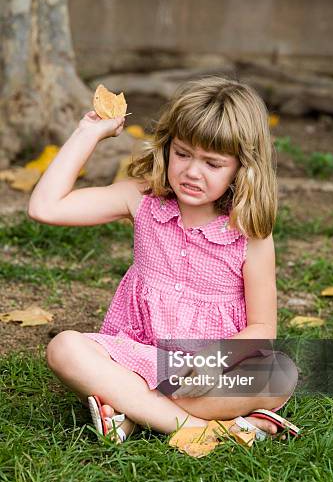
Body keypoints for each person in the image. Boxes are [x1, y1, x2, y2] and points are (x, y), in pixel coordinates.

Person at [28, 75, 298, 444]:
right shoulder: (141, 199)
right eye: (183, 153)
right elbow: (46, 207)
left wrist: (204, 368)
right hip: (137, 358)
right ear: (167, 147)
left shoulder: (249, 235)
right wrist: (88, 132)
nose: (191, 171)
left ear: (241, 168)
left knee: (279, 373)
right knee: (64, 349)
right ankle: (211, 429)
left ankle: (132, 410)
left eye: (212, 163)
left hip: (204, 373)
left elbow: (262, 327)